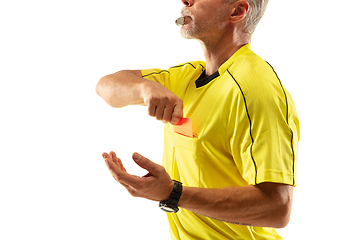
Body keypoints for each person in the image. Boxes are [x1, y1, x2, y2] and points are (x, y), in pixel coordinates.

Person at [96, 0, 300, 239]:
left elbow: (277, 208)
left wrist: (173, 194)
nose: (185, 1)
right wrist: (144, 88)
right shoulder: (189, 77)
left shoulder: (258, 89)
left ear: (237, 11)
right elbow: (105, 86)